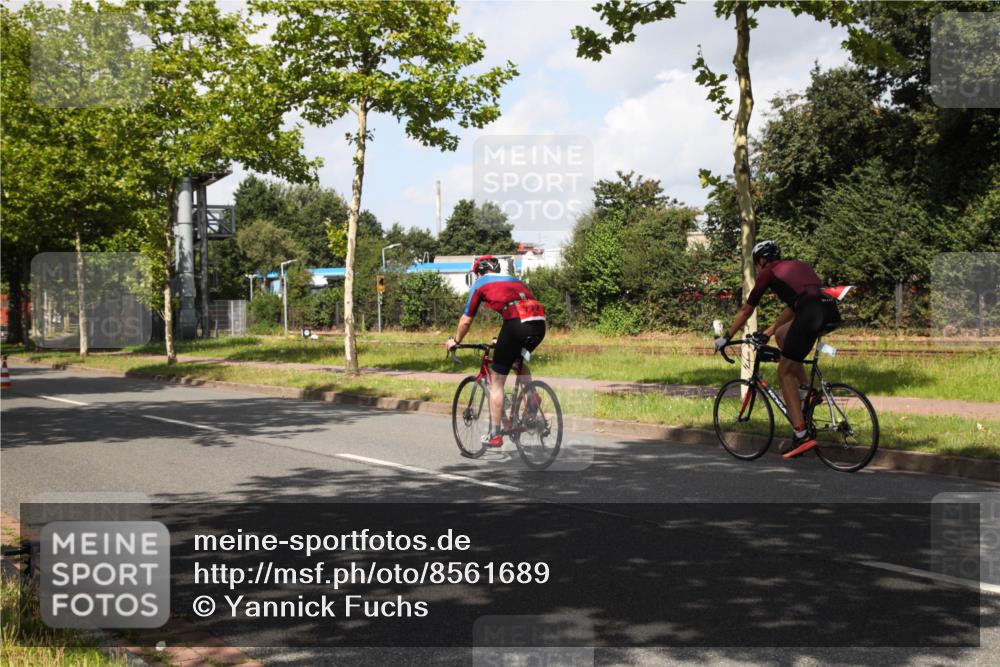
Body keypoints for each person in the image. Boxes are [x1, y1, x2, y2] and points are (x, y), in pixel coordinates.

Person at [714, 240, 841, 458]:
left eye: (756, 264)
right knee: (783, 335)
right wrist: (769, 332)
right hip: (829, 308)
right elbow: (795, 307)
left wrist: (726, 338)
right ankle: (807, 390)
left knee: (782, 372)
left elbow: (747, 310)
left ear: (761, 260)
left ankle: (801, 435)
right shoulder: (798, 265)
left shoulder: (768, 272)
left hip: (810, 313)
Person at [445, 255, 546, 450]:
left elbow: (466, 320)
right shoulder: (514, 280)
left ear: (479, 272)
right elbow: (519, 309)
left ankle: (495, 434)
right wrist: (502, 340)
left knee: (497, 381)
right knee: (518, 362)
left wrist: (455, 341)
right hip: (539, 324)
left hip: (516, 324)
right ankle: (532, 396)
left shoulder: (481, 283)